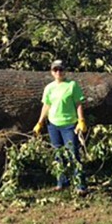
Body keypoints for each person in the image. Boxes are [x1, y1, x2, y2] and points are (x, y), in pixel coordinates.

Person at [33, 59, 88, 194]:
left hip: (69, 125)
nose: (58, 72)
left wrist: (81, 120)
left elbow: (78, 104)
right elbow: (46, 105)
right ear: (52, 72)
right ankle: (62, 182)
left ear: (65, 71)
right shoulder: (49, 88)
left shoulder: (72, 85)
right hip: (53, 125)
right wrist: (40, 122)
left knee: (73, 154)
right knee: (58, 154)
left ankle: (80, 185)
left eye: (61, 69)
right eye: (55, 70)